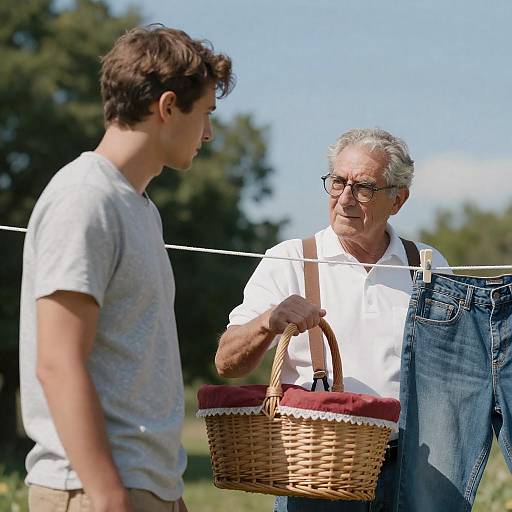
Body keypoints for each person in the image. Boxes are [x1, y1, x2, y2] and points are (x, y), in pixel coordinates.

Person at [19, 25, 234, 512]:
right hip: (90, 491)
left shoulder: (139, 208)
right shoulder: (85, 199)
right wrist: (110, 495)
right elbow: (57, 363)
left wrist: (167, 492)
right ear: (167, 107)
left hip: (142, 488)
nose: (209, 133)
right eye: (205, 114)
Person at [215, 128, 450, 512]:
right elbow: (226, 362)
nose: (344, 199)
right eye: (337, 182)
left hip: (415, 472)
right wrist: (267, 322)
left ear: (398, 200)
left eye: (363, 188)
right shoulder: (289, 258)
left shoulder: (427, 265)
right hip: (319, 473)